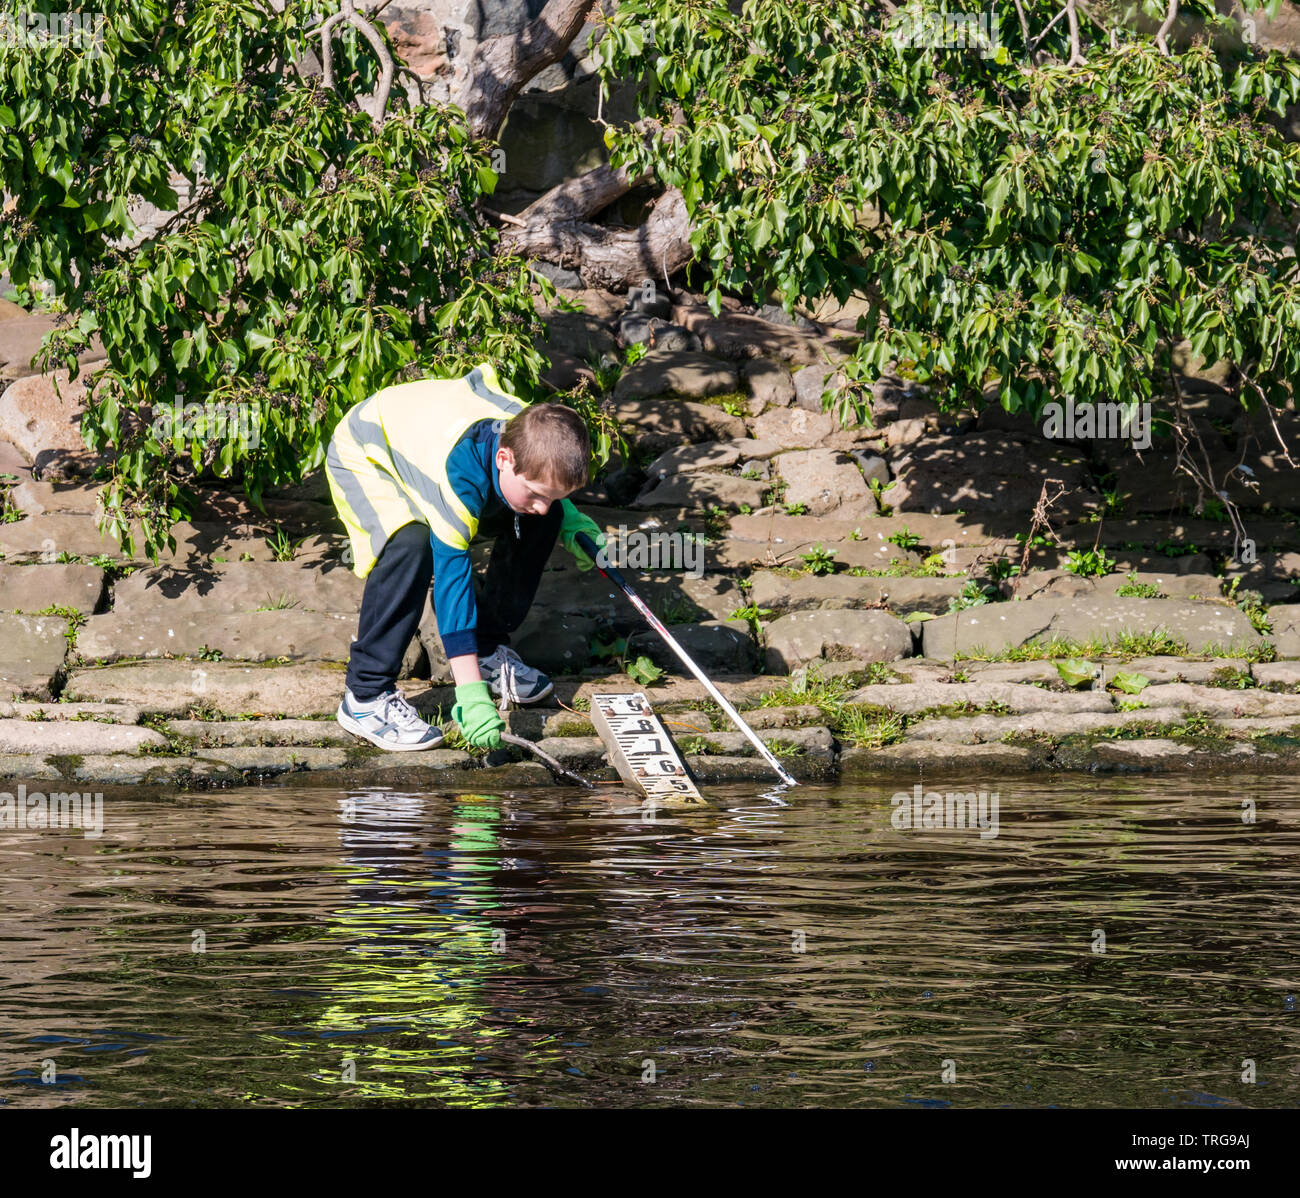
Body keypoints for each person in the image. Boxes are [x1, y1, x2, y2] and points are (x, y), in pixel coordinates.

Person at [325, 362, 606, 752]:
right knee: (412, 543)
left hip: (426, 437)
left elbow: (546, 494)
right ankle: (365, 696)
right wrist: (470, 694)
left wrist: (572, 520)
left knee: (545, 520)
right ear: (505, 458)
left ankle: (488, 649)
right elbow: (452, 587)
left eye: (553, 494)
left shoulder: (530, 433)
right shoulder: (460, 477)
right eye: (536, 493)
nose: (542, 504)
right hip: (367, 452)